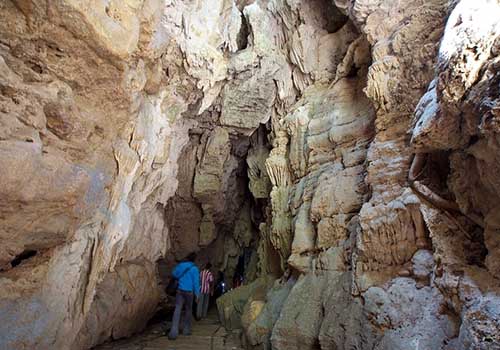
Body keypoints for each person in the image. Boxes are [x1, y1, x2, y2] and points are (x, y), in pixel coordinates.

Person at [168, 252, 200, 340]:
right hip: (189, 292)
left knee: (177, 309)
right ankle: (186, 330)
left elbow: (174, 274)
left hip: (180, 290)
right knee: (188, 310)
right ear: (194, 260)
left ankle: (173, 332)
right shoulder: (195, 269)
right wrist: (197, 294)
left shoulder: (181, 265)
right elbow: (196, 283)